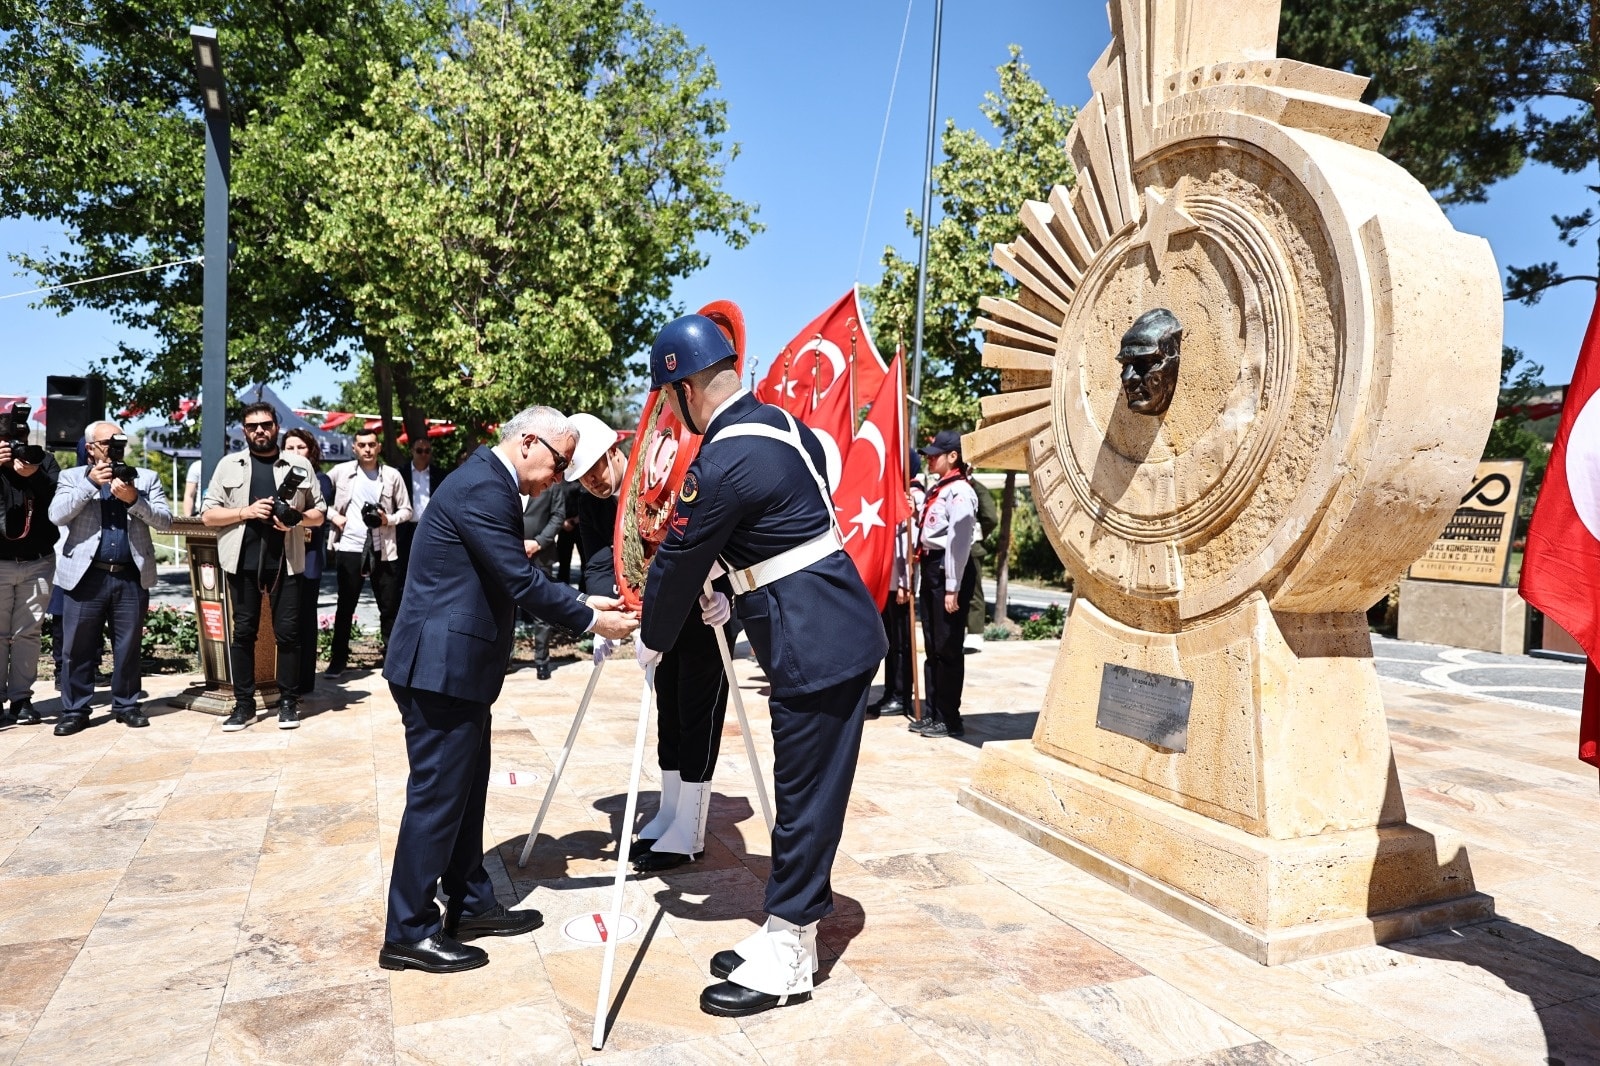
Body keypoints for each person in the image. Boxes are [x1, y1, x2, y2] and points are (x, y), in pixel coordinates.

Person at [637, 314, 886, 1018]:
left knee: (803, 800)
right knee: (799, 791)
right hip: (821, 628)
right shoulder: (779, 425)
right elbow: (771, 527)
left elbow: (680, 558)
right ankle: (783, 927)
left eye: (669, 396)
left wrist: (652, 636)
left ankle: (790, 955)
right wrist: (734, 586)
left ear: (686, 389)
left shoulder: (723, 458)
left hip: (816, 642)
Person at [378, 405, 638, 975]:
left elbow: (503, 577)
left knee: (465, 794)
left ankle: (469, 903)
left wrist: (583, 601)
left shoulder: (487, 482)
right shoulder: (482, 487)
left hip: (458, 669)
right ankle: (408, 931)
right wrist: (591, 622)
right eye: (561, 461)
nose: (562, 476)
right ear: (527, 442)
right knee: (437, 800)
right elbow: (515, 577)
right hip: (438, 671)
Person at [565, 412, 735, 873]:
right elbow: (600, 561)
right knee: (670, 709)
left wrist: (728, 592)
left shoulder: (658, 476)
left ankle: (691, 831)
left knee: (698, 711)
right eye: (582, 479)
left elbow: (714, 532)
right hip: (653, 614)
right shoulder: (596, 504)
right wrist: (604, 615)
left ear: (614, 453)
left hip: (703, 606)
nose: (594, 483)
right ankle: (670, 811)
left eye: (596, 470)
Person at [201, 403, 326, 731]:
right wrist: (245, 512)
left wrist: (295, 520)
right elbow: (209, 515)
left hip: (286, 562)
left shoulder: (298, 465)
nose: (260, 430)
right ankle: (243, 705)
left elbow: (320, 513)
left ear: (276, 427)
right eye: (253, 426)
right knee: (243, 634)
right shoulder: (229, 465)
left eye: (266, 425)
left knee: (288, 635)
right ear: (244, 430)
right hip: (242, 561)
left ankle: (288, 702)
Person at [48, 420, 172, 734]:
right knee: (77, 647)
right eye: (107, 442)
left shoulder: (145, 477)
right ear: (90, 448)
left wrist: (134, 500)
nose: (115, 446)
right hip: (86, 576)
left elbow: (166, 522)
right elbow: (57, 515)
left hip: (130, 575)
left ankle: (127, 705)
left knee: (128, 645)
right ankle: (75, 710)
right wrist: (90, 484)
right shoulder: (71, 477)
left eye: (119, 440)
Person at [325, 427, 411, 675]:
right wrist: (334, 516)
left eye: (372, 444)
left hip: (383, 547)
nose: (367, 449)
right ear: (354, 448)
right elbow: (317, 496)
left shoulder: (392, 475)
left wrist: (388, 520)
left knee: (389, 607)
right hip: (350, 546)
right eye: (362, 445)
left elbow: (407, 511)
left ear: (379, 447)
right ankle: (338, 660)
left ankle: (394, 662)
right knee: (345, 606)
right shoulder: (341, 472)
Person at [911, 430, 979, 740]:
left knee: (948, 647)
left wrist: (952, 585)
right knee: (933, 646)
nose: (929, 458)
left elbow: (959, 540)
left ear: (953, 456)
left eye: (936, 453)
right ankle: (934, 712)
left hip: (948, 569)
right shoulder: (940, 489)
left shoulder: (960, 492)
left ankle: (949, 718)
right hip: (932, 568)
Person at [0, 438, 60, 727]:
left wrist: (32, 473)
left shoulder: (42, 460)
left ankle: (21, 699)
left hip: (38, 561)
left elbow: (57, 501)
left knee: (28, 633)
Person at [281, 429, 334, 696]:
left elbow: (317, 514)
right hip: (281, 556)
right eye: (289, 447)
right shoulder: (275, 477)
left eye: (300, 447)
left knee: (303, 618)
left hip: (308, 556)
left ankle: (303, 680)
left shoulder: (321, 479)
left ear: (311, 451)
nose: (294, 452)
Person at [519, 474, 567, 679]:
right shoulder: (509, 481)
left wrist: (538, 542)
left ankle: (542, 661)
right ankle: (505, 661)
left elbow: (558, 515)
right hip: (508, 553)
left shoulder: (551, 482)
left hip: (541, 554)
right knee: (506, 609)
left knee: (542, 609)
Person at [397, 435, 446, 577]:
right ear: (412, 451)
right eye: (419, 450)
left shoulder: (440, 475)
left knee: (430, 569)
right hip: (406, 529)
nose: (423, 454)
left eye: (427, 451)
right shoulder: (400, 473)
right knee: (404, 570)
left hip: (431, 529)